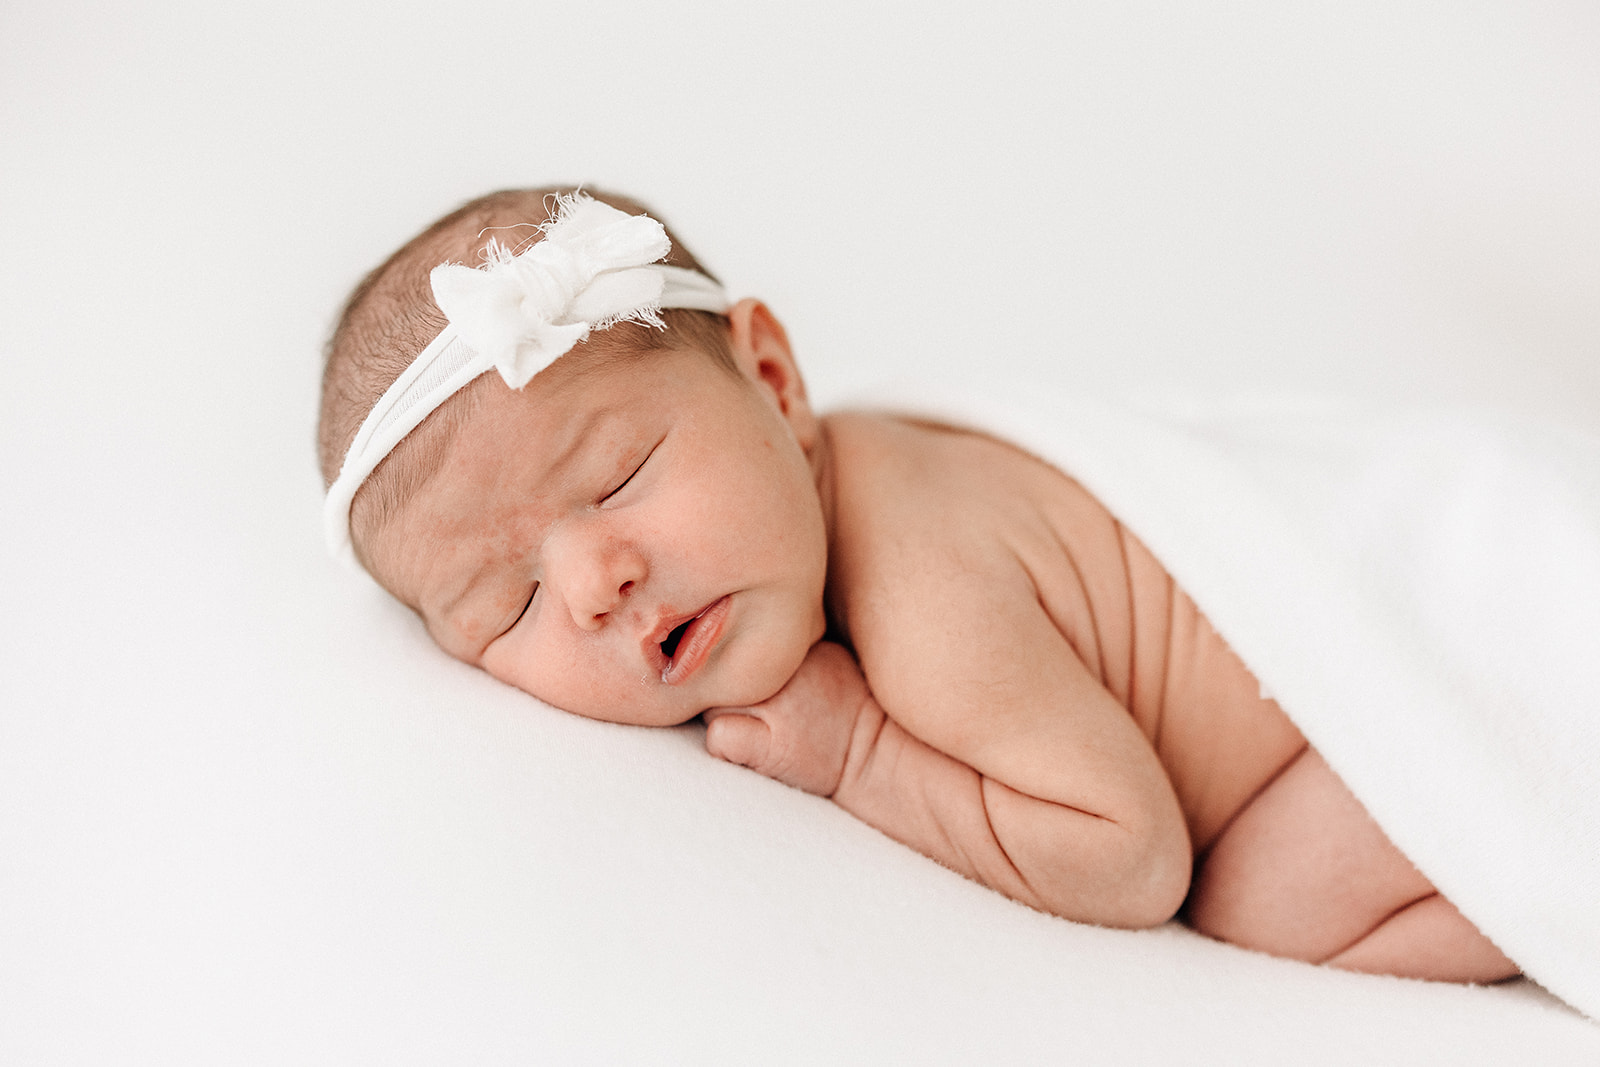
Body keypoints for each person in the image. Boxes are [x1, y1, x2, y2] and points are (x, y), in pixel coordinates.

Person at [319, 186, 1518, 983]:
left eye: (622, 472)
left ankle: (1541, 881)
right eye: (505, 606)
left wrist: (862, 757)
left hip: (1420, 672)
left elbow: (1135, 856)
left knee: (1259, 900)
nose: (590, 583)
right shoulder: (809, 488)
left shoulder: (923, 592)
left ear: (777, 382)